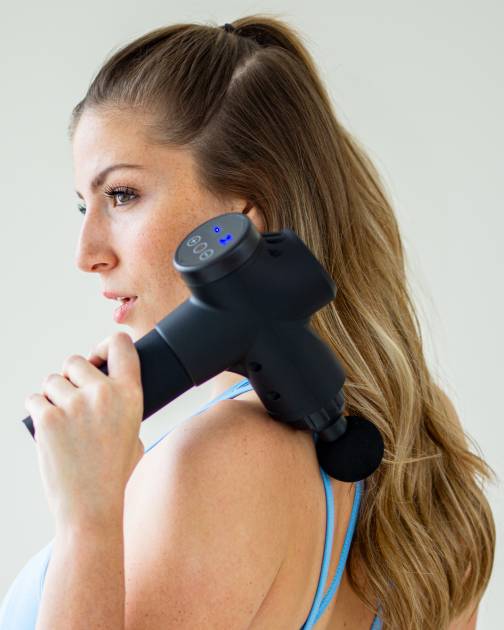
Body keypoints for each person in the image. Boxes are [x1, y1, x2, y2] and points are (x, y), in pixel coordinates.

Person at [0, 14, 496, 630]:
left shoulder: (218, 463)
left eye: (122, 195)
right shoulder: (421, 443)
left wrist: (88, 517)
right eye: (84, 205)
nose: (87, 252)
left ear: (239, 220)